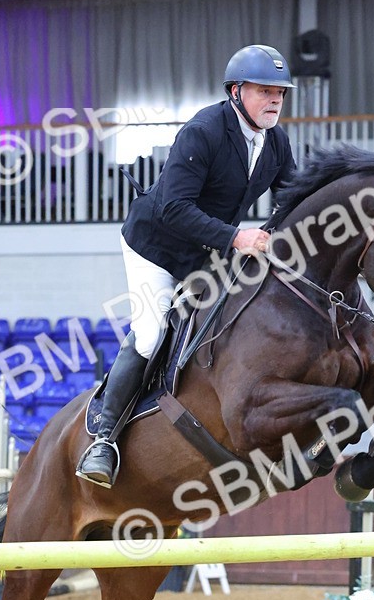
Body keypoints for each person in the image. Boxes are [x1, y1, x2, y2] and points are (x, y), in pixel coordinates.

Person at [76, 43, 297, 487]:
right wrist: (238, 237)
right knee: (152, 332)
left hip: (206, 251)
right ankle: (104, 438)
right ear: (235, 92)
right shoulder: (203, 132)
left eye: (280, 93)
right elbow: (173, 208)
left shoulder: (275, 142)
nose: (275, 100)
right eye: (264, 91)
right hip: (157, 246)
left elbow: (293, 198)